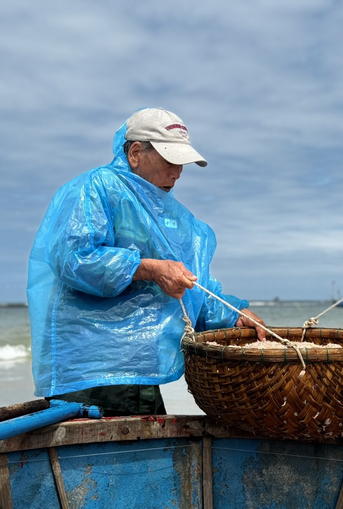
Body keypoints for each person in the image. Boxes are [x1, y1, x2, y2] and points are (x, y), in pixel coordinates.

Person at [28, 107, 266, 416]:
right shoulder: (96, 188)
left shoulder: (168, 217)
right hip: (88, 372)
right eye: (170, 160)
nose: (178, 173)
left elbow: (192, 285)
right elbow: (74, 260)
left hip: (138, 373)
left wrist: (234, 314)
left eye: (183, 164)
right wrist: (150, 269)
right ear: (136, 152)